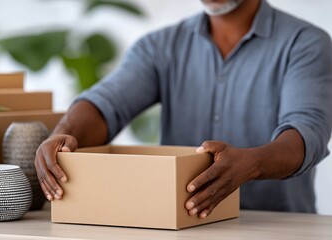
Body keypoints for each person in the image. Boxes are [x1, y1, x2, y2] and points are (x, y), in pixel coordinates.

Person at [35, 0, 332, 218]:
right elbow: (106, 103)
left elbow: (307, 133)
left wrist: (251, 164)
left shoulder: (305, 43)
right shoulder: (158, 47)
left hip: (278, 227)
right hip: (185, 225)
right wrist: (63, 134)